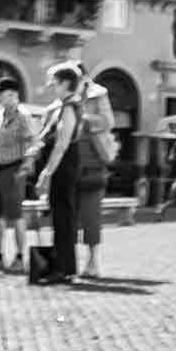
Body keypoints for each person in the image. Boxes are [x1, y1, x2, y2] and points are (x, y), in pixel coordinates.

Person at [0, 76, 36, 274]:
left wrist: (25, 168)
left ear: (11, 95)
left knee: (16, 216)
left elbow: (31, 144)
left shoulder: (23, 116)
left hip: (14, 170)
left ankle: (20, 258)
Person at [32, 63, 83, 286]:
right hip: (64, 167)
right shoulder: (65, 106)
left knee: (63, 219)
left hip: (64, 168)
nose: (51, 86)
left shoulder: (69, 107)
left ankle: (63, 269)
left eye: (53, 82)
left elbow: (62, 144)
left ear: (64, 83)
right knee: (62, 218)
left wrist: (46, 172)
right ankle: (65, 268)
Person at [73, 64, 114, 279]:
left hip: (93, 161)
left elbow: (108, 121)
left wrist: (82, 119)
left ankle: (92, 261)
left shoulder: (98, 94)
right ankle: (71, 262)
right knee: (70, 217)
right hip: (70, 162)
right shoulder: (66, 96)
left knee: (90, 216)